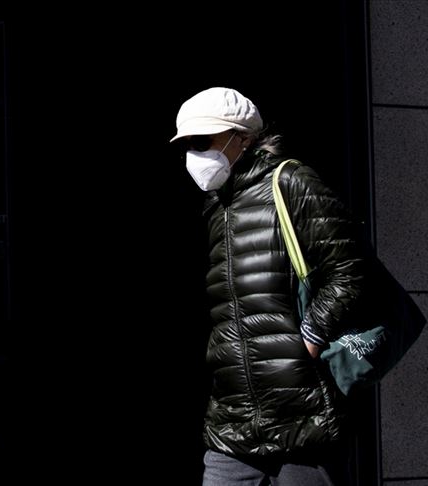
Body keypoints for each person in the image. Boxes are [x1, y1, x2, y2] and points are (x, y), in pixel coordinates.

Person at [170, 87, 366, 486]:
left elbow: (349, 268)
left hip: (301, 417)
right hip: (232, 420)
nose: (194, 153)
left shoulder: (290, 181)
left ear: (242, 138)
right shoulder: (216, 206)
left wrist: (309, 339)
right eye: (188, 144)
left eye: (202, 141)